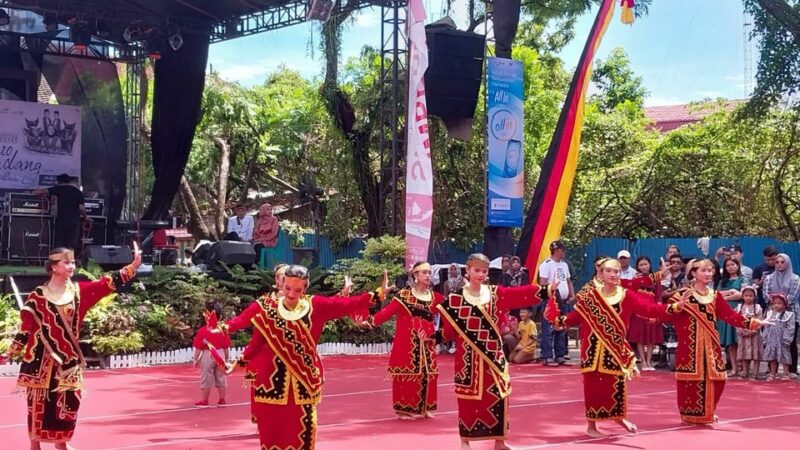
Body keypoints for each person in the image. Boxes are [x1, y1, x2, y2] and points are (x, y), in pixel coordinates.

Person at [225, 265, 386, 449]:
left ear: (306, 288)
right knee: (272, 433)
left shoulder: (315, 305)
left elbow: (345, 305)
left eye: (298, 290)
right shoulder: (267, 308)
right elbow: (257, 342)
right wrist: (239, 362)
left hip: (303, 381)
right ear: (281, 284)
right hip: (270, 381)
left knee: (303, 429)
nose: (292, 294)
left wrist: (378, 294)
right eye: (288, 288)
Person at [0, 244, 141, 450]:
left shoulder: (78, 292)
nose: (71, 266)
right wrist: (10, 352)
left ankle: (61, 442)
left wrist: (133, 266)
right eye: (66, 262)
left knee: (69, 403)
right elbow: (26, 329)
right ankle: (35, 445)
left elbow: (105, 284)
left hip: (68, 360)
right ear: (53, 267)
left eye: (73, 262)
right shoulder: (37, 297)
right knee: (38, 404)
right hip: (40, 360)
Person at [547, 258, 681, 437]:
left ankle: (619, 417)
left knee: (617, 386)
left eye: (616, 271)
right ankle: (591, 426)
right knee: (593, 388)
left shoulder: (626, 295)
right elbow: (572, 318)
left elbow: (648, 309)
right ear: (600, 274)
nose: (612, 274)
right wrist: (554, 305)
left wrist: (674, 307)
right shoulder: (590, 297)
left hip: (615, 348)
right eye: (608, 271)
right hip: (593, 350)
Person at [436, 253, 554, 450]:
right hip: (468, 358)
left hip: (493, 355)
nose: (481, 274)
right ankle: (465, 441)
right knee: (468, 399)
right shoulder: (454, 300)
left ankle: (500, 441)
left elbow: (518, 295)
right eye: (476, 270)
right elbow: (447, 331)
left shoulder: (495, 293)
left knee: (498, 396)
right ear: (468, 270)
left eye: (484, 271)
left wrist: (545, 290)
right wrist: (433, 339)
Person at [666, 259, 770, 425]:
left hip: (711, 345)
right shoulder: (682, 295)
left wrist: (753, 322)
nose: (708, 274)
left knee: (718, 379)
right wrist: (676, 307)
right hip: (690, 346)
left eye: (711, 270)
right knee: (691, 381)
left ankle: (708, 410)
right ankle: (691, 413)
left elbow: (730, 316)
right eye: (704, 270)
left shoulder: (714, 296)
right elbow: (667, 313)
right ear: (693, 273)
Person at [368, 261, 443, 419]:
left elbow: (452, 308)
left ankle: (424, 407)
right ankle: (402, 409)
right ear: (415, 275)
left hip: (427, 342)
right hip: (407, 342)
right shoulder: (404, 296)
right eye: (424, 272)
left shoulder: (434, 297)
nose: (428, 275)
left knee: (428, 373)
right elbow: (386, 313)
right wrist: (369, 321)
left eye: (429, 272)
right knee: (407, 374)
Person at [624, 256, 666, 371]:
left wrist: (658, 307)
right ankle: (642, 361)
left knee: (651, 338)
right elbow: (631, 293)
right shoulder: (636, 278)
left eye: (645, 264)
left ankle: (649, 361)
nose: (643, 267)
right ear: (637, 267)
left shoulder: (655, 278)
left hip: (651, 310)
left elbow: (659, 295)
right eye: (641, 265)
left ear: (650, 265)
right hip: (638, 311)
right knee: (640, 338)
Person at [762, 253, 800, 377]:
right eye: (777, 262)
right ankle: (771, 369)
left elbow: (793, 296)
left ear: (787, 263)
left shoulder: (795, 278)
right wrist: (776, 303)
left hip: (790, 313)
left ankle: (791, 370)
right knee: (771, 341)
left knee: (790, 341)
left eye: (782, 262)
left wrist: (781, 301)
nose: (779, 264)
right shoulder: (769, 278)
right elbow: (765, 294)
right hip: (772, 314)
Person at [538, 240, 574, 366]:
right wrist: (551, 291)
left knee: (562, 326)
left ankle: (560, 354)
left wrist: (572, 294)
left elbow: (568, 281)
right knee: (549, 328)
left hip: (564, 300)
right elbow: (542, 282)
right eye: (562, 250)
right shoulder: (546, 264)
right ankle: (547, 355)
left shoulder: (564, 265)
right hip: (551, 299)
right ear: (557, 250)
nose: (563, 252)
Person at [32, 174, 86, 251]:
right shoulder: (78, 192)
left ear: (59, 182)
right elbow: (81, 208)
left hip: (61, 219)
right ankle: (69, 261)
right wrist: (86, 216)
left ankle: (58, 261)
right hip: (74, 220)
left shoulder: (59, 189)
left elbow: (42, 191)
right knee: (71, 243)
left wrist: (30, 193)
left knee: (59, 242)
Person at [192, 302, 231, 406]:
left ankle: (205, 400)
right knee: (221, 376)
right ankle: (222, 399)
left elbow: (198, 348)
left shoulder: (203, 331)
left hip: (208, 353)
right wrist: (227, 358)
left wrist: (195, 359)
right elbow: (226, 346)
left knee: (206, 376)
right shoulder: (222, 330)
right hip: (220, 353)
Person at [716, 257, 743, 376]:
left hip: (737, 311)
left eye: (733, 264)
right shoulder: (722, 281)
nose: (730, 267)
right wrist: (730, 293)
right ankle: (734, 367)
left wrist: (726, 297)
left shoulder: (743, 279)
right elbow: (717, 294)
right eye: (728, 265)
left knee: (739, 340)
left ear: (738, 265)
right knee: (730, 342)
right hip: (724, 312)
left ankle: (743, 367)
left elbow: (741, 295)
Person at [762, 293, 796, 381]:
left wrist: (787, 338)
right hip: (771, 339)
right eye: (774, 303)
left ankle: (785, 373)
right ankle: (772, 373)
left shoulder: (789, 315)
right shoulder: (769, 314)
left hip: (782, 339)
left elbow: (791, 327)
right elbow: (766, 326)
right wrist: (765, 338)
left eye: (779, 303)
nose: (776, 305)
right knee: (772, 356)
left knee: (784, 356)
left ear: (785, 305)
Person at [735, 286, 763, 380]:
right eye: (746, 295)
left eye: (750, 296)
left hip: (754, 335)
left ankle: (755, 373)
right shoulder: (739, 307)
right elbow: (736, 320)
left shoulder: (758, 308)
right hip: (742, 335)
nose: (748, 297)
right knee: (744, 354)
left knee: (755, 354)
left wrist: (753, 331)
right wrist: (740, 330)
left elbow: (760, 320)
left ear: (754, 297)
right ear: (742, 296)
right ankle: (745, 372)